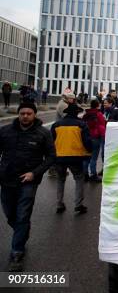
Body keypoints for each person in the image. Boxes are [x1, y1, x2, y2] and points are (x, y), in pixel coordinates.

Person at [0, 103, 56, 271]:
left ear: (34, 115)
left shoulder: (43, 134)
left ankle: (17, 252)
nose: (25, 116)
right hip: (7, 180)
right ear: (18, 114)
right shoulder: (5, 131)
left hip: (29, 181)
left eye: (28, 113)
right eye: (22, 113)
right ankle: (22, 231)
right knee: (10, 214)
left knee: (22, 214)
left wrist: (35, 173)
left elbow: (51, 157)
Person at [51, 103, 92, 214]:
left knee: (61, 179)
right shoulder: (81, 125)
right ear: (77, 113)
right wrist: (89, 151)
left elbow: (51, 142)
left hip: (59, 157)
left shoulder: (56, 125)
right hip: (75, 156)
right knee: (79, 179)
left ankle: (59, 204)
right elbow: (87, 141)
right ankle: (78, 205)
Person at [82, 99, 106, 182]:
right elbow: (102, 126)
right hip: (96, 138)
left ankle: (85, 175)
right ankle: (93, 175)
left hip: (86, 138)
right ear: (97, 105)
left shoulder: (86, 114)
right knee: (94, 158)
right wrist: (103, 136)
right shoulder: (99, 114)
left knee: (86, 157)